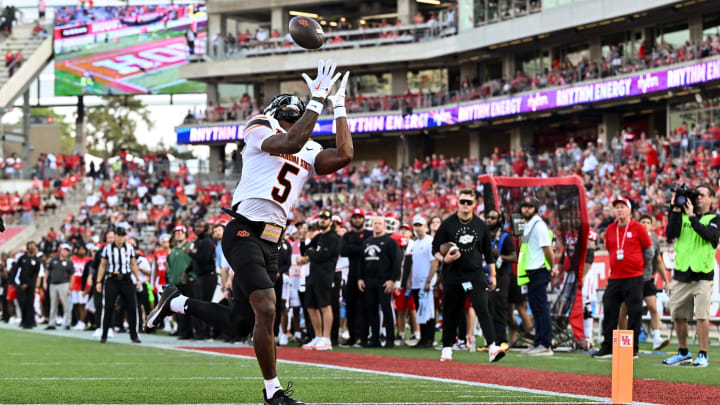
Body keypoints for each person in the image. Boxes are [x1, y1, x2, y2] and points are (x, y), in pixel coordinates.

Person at [147, 59, 352, 405]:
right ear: (275, 113)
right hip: (243, 231)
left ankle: (177, 302)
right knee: (268, 308)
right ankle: (272, 393)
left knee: (240, 323)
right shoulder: (259, 126)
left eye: (295, 114)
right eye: (288, 114)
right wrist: (315, 101)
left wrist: (340, 105)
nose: (291, 118)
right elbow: (289, 141)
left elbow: (345, 154)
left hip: (272, 242)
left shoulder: (311, 146)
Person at [432, 188, 505, 362]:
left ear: (474, 204)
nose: (465, 205)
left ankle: (493, 347)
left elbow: (488, 253)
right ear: (458, 202)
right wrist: (445, 259)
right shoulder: (448, 224)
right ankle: (447, 347)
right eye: (462, 201)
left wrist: (493, 275)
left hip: (475, 274)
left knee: (482, 308)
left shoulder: (481, 225)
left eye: (469, 202)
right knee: (451, 311)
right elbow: (434, 249)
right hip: (453, 274)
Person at [663, 184, 720, 367]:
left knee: (702, 316)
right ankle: (683, 352)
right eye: (696, 195)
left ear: (711, 198)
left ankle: (703, 354)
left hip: (702, 274)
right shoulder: (683, 215)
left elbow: (708, 235)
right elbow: (670, 234)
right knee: (678, 315)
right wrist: (675, 210)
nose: (698, 199)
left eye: (702, 195)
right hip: (681, 273)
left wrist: (692, 217)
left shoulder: (715, 218)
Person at [591, 198, 651, 359]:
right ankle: (608, 346)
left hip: (634, 277)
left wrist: (639, 268)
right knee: (609, 308)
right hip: (615, 277)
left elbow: (649, 251)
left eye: (622, 207)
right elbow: (611, 250)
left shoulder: (638, 228)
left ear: (629, 210)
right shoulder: (610, 229)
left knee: (634, 312)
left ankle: (633, 348)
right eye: (617, 207)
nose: (619, 210)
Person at [618, 214, 670, 350]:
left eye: (648, 222)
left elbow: (658, 262)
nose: (645, 224)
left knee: (653, 307)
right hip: (631, 278)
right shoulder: (631, 238)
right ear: (638, 224)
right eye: (643, 222)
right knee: (624, 309)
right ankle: (623, 339)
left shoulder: (654, 241)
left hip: (647, 279)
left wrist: (666, 281)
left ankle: (657, 338)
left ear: (652, 226)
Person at [516, 195, 556, 356]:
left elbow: (548, 250)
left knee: (541, 308)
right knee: (537, 308)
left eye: (530, 207)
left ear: (535, 209)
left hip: (539, 270)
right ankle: (539, 341)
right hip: (532, 271)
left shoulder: (538, 226)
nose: (526, 209)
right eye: (524, 206)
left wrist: (550, 268)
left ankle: (545, 343)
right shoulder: (528, 225)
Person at [298, 210, 340, 350]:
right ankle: (317, 336)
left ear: (330, 221)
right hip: (313, 276)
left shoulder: (333, 237)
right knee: (310, 306)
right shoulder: (319, 237)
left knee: (325, 306)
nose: (322, 220)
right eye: (321, 218)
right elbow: (305, 250)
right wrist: (303, 238)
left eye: (325, 218)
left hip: (325, 275)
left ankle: (327, 338)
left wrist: (310, 254)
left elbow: (321, 256)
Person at [95, 226, 143, 344]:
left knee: (132, 307)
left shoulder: (129, 248)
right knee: (108, 307)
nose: (121, 238)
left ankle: (134, 335)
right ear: (115, 236)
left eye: (123, 236)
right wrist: (98, 281)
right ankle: (104, 334)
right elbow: (102, 265)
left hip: (126, 279)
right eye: (119, 235)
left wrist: (137, 279)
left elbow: (133, 264)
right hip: (112, 278)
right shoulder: (107, 249)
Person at [358, 216, 401, 348]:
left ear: (384, 225)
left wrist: (392, 280)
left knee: (386, 309)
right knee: (371, 311)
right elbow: (361, 262)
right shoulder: (367, 242)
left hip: (384, 281)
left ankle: (390, 339)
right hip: (369, 281)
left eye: (379, 223)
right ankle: (375, 339)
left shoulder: (390, 242)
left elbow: (396, 262)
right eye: (375, 223)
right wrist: (360, 278)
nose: (377, 225)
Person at [339, 208, 372, 347]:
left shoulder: (369, 234)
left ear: (364, 219)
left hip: (366, 274)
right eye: (355, 217)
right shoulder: (347, 236)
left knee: (363, 307)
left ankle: (363, 336)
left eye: (360, 217)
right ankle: (352, 336)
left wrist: (354, 249)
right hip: (351, 275)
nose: (357, 220)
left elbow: (366, 250)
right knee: (350, 307)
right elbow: (343, 250)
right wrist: (360, 248)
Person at [486, 209, 517, 350]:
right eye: (488, 217)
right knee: (487, 307)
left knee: (499, 307)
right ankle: (491, 341)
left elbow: (514, 257)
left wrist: (500, 256)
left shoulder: (506, 237)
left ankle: (502, 340)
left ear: (499, 220)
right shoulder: (484, 236)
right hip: (486, 274)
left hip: (502, 276)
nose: (489, 220)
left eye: (492, 218)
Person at [407, 214, 438, 348]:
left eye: (420, 225)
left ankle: (429, 338)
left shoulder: (429, 241)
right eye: (416, 225)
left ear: (425, 227)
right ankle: (423, 338)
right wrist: (410, 280)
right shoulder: (415, 243)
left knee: (428, 311)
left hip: (425, 283)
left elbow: (434, 262)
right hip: (416, 283)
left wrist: (428, 280)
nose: (418, 228)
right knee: (420, 311)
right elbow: (414, 263)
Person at [189, 220, 216, 339]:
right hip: (199, 277)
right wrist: (187, 272)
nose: (198, 228)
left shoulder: (207, 242)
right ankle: (200, 332)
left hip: (208, 276)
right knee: (199, 304)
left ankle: (206, 332)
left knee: (205, 304)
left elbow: (203, 260)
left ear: (206, 228)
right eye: (196, 226)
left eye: (200, 226)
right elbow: (195, 261)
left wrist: (191, 253)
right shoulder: (197, 242)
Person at [13, 242, 43, 329]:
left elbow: (35, 275)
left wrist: (28, 284)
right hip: (20, 283)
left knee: (29, 303)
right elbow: (15, 269)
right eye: (31, 247)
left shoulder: (37, 260)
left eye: (34, 247)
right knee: (22, 302)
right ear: (27, 248)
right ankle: (24, 319)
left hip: (31, 285)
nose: (32, 249)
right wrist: (13, 282)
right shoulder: (22, 258)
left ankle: (29, 323)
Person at [44, 244, 74, 330]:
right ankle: (51, 323)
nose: (65, 252)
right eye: (64, 250)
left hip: (64, 284)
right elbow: (47, 271)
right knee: (53, 304)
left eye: (67, 250)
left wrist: (70, 287)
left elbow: (72, 276)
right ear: (60, 250)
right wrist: (45, 282)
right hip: (53, 284)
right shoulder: (53, 260)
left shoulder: (69, 262)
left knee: (66, 304)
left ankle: (68, 323)